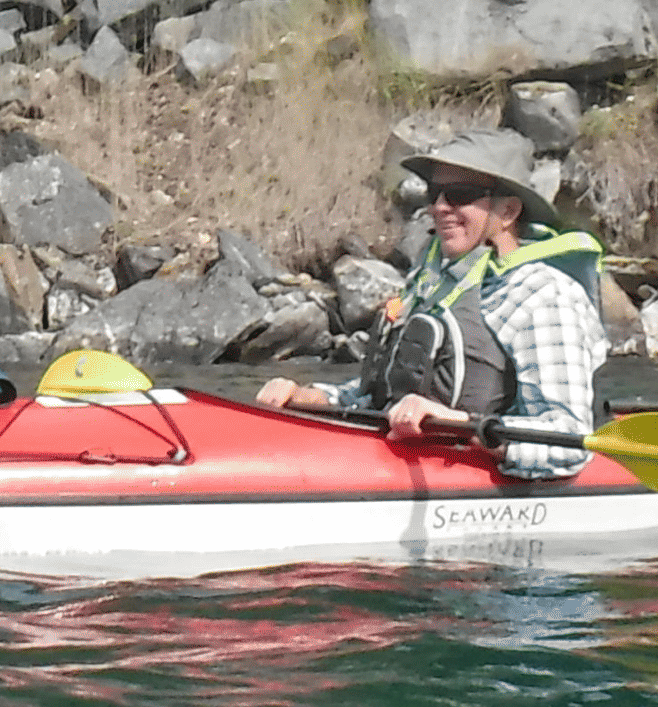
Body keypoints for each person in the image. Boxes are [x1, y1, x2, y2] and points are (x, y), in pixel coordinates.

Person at [254, 129, 608, 480]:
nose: (439, 207)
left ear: (508, 211)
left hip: (480, 481)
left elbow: (568, 440)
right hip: (399, 455)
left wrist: (464, 426)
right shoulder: (431, 283)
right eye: (434, 193)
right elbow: (382, 396)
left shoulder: (544, 296)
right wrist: (308, 396)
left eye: (459, 195)